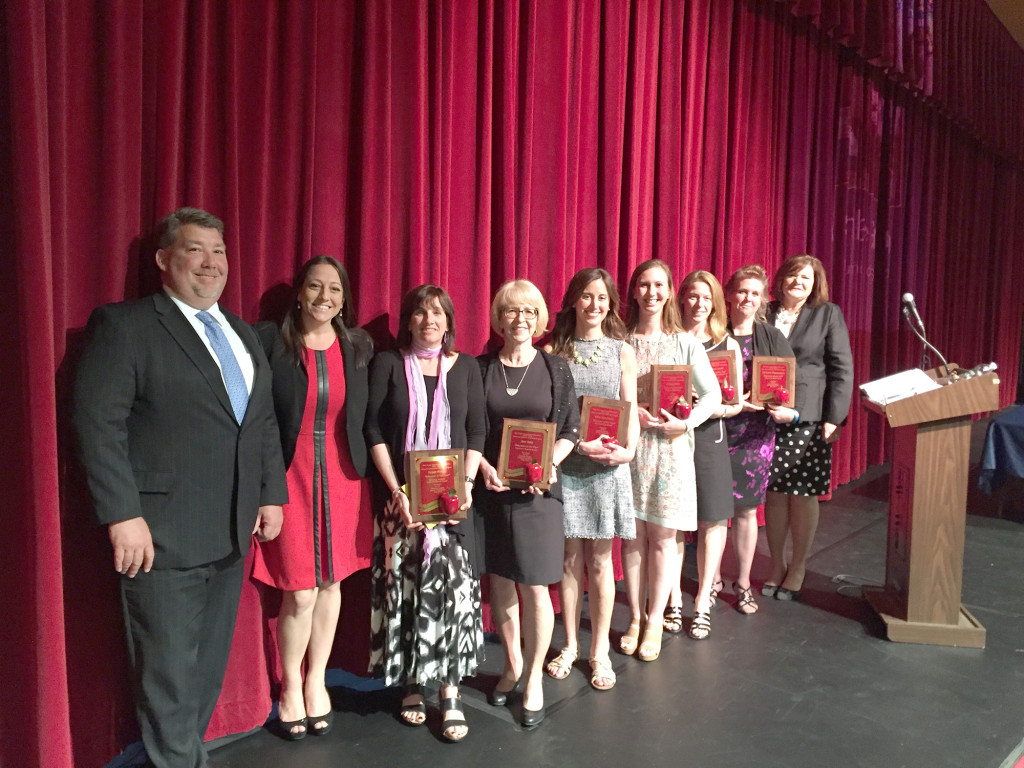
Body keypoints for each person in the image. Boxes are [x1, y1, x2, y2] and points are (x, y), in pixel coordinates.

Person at [73, 207, 287, 768]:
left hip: (232, 531)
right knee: (166, 676)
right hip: (160, 537)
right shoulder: (126, 326)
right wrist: (121, 514)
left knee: (203, 674)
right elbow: (99, 424)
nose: (211, 263)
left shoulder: (241, 332)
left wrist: (271, 493)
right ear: (164, 260)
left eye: (218, 252)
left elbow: (260, 423)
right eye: (196, 250)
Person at [252, 255, 374, 739]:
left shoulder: (358, 345)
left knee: (331, 586)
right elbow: (258, 420)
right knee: (299, 591)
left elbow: (366, 419)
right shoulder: (269, 342)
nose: (326, 297)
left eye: (336, 290)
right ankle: (289, 687)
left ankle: (317, 680)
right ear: (299, 293)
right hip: (290, 476)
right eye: (316, 287)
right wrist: (264, 488)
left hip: (345, 479)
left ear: (344, 300)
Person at [364, 284, 486, 742]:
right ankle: (413, 682)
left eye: (437, 313)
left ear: (449, 322)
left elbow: (477, 429)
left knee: (451, 596)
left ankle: (449, 691)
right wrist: (396, 490)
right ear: (408, 320)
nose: (429, 320)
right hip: (402, 506)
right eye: (420, 313)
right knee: (408, 592)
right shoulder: (389, 364)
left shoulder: (467, 366)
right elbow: (372, 426)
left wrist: (468, 485)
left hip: (455, 506)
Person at [476, 279, 579, 727]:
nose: (521, 319)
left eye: (530, 312)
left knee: (536, 586)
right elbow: (470, 429)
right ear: (499, 319)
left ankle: (534, 675)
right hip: (493, 491)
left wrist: (551, 463)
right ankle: (512, 665)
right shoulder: (478, 368)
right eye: (512, 311)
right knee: (500, 580)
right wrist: (482, 467)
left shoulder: (556, 367)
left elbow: (571, 429)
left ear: (540, 319)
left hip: (540, 495)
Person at [687, 265, 796, 638]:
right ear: (729, 295)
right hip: (712, 429)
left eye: (755, 293)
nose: (748, 299)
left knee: (747, 510)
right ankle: (713, 579)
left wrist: (784, 408)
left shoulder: (771, 337)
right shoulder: (714, 334)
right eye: (742, 292)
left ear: (764, 299)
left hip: (754, 434)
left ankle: (744, 581)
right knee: (712, 513)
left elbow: (787, 386)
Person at [544, 268, 639, 680]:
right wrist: (577, 446)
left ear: (611, 304)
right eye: (586, 296)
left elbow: (629, 407)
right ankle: (570, 645)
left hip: (607, 468)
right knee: (568, 560)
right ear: (573, 301)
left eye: (602, 297)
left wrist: (629, 450)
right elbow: (549, 417)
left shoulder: (622, 351)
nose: (594, 305)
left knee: (600, 563)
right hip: (567, 464)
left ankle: (599, 651)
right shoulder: (552, 351)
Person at [622, 260, 720, 651]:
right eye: (644, 285)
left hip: (671, 451)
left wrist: (687, 422)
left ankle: (656, 622)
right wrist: (632, 413)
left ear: (668, 292)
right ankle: (634, 617)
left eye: (659, 285)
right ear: (634, 291)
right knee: (631, 539)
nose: (651, 293)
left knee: (663, 538)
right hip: (629, 451)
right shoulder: (621, 341)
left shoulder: (685, 343)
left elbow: (712, 395)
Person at [763, 255, 853, 600]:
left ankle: (797, 565)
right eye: (792, 275)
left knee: (802, 493)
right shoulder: (766, 312)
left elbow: (841, 369)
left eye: (806, 277)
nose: (798, 282)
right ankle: (775, 564)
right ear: (781, 279)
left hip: (810, 417)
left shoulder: (827, 314)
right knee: (774, 493)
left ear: (816, 283)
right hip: (766, 413)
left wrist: (835, 417)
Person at [677, 270, 745, 636]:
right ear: (683, 298)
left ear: (715, 302)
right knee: (669, 523)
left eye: (708, 297)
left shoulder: (726, 344)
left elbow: (734, 405)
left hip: (709, 439)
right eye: (694, 295)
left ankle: (702, 601)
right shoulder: (669, 339)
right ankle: (673, 601)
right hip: (670, 439)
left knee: (713, 520)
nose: (700, 303)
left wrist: (702, 407)